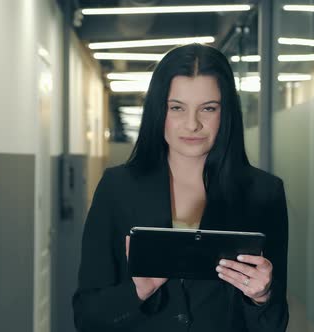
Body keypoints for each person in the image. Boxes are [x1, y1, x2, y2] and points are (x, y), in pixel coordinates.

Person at [72, 43, 288, 332]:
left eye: (208, 108)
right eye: (177, 108)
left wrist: (262, 296)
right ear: (158, 111)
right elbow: (86, 317)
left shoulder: (263, 193)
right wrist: (138, 291)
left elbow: (274, 324)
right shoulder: (118, 188)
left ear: (227, 113)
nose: (192, 124)